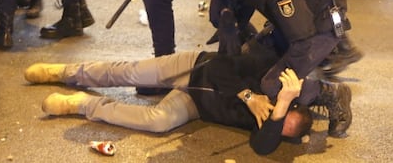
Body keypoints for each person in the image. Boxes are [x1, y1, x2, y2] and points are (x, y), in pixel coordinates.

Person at [23, 40, 353, 154]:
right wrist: (251, 95)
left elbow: (262, 146)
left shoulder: (274, 121)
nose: (274, 123)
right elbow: (225, 63)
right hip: (195, 66)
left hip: (195, 105)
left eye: (280, 128)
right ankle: (65, 72)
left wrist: (279, 111)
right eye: (284, 116)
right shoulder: (273, 78)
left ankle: (80, 105)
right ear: (293, 100)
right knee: (130, 72)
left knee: (159, 121)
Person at [198, 0, 362, 116]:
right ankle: (333, 51)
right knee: (250, 60)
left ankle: (330, 93)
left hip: (319, 23)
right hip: (300, 12)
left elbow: (302, 41)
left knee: (272, 86)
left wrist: (285, 81)